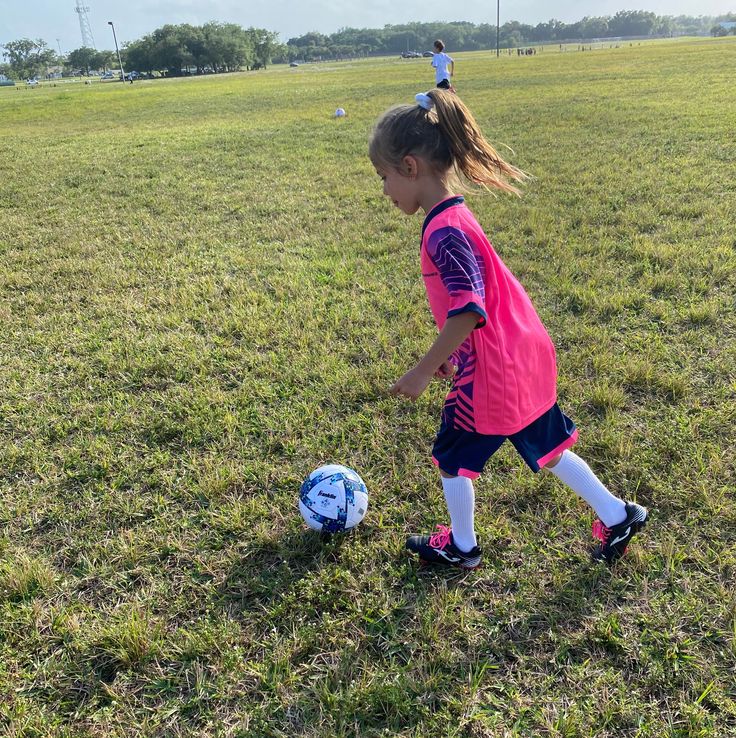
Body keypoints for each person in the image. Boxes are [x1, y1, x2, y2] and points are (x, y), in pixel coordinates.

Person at [368, 90, 648, 569]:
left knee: (453, 455)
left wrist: (423, 369)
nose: (385, 190)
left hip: (494, 371)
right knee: (549, 448)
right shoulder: (453, 216)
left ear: (410, 167)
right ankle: (618, 513)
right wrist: (454, 357)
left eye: (384, 177)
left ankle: (462, 546)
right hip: (519, 354)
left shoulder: (444, 231)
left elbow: (468, 309)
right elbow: (480, 309)